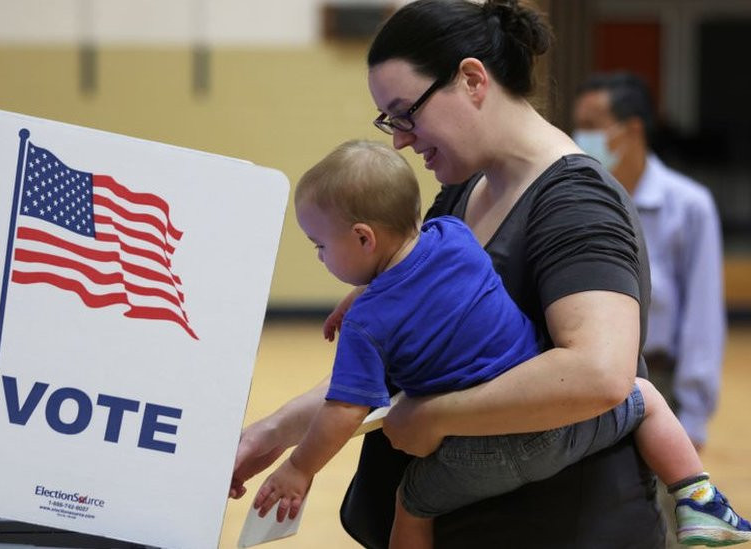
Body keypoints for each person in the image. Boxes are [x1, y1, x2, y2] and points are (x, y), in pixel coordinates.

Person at [229, 1, 664, 546]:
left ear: (471, 80)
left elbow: (600, 373)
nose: (400, 140)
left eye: (405, 112)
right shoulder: (461, 193)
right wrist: (271, 435)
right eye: (389, 121)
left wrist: (436, 417)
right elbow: (383, 365)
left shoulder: (575, 202)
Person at [249, 139, 750, 548]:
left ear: (363, 238)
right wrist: (361, 292)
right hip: (557, 417)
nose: (318, 256)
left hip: (482, 448)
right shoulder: (453, 235)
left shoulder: (368, 327)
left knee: (413, 500)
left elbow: (344, 409)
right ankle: (699, 498)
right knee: (646, 398)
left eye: (319, 244)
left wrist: (298, 468)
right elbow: (413, 270)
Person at [572, 70, 729, 549]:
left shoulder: (688, 205)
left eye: (592, 125)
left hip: (660, 384)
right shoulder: (577, 197)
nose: (583, 138)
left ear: (632, 130)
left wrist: (695, 414)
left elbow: (703, 316)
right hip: (587, 382)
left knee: (665, 521)